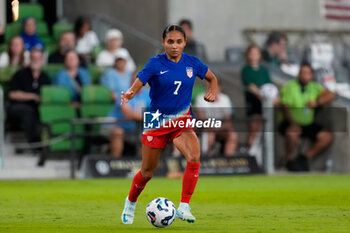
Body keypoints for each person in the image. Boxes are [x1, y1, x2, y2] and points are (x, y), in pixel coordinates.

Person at [120, 25, 218, 224]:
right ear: (164, 42)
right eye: (170, 41)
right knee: (147, 172)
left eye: (179, 42)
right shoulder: (155, 63)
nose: (174, 46)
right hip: (156, 121)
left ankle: (184, 206)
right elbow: (140, 80)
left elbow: (212, 78)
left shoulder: (192, 63)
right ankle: (130, 202)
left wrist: (212, 91)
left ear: (184, 43)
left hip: (182, 119)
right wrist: (131, 92)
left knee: (194, 155)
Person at [279, 63, 335, 172]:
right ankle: (290, 161)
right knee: (292, 133)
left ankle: (303, 158)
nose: (304, 76)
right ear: (299, 74)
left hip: (308, 123)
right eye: (302, 73)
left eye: (307, 73)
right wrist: (293, 123)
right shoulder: (290, 86)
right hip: (290, 121)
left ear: (311, 75)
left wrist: (317, 102)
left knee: (327, 137)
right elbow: (285, 107)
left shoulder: (313, 87)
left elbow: (331, 95)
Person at [7, 48, 50, 143]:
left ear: (42, 60)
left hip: (37, 108)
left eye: (38, 58)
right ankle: (33, 143)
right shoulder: (20, 74)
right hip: (18, 107)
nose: (35, 60)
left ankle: (48, 143)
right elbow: (12, 94)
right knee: (28, 111)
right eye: (33, 58)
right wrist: (32, 96)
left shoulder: (45, 77)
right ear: (29, 59)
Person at [103, 87, 150, 157]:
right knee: (118, 132)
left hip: (134, 128)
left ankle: (143, 163)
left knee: (152, 132)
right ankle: (115, 162)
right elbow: (128, 114)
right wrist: (147, 116)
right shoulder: (125, 92)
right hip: (113, 125)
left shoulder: (148, 94)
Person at [241, 44, 273, 147]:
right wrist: (261, 95)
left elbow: (269, 86)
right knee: (254, 131)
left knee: (263, 134)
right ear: (248, 55)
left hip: (264, 106)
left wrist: (273, 97)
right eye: (252, 53)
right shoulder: (246, 70)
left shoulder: (264, 71)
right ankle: (249, 154)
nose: (254, 55)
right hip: (253, 105)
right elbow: (251, 86)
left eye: (256, 53)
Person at [195, 80, 237, 157]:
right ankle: (208, 158)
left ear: (220, 87)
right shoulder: (200, 98)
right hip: (205, 128)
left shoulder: (225, 99)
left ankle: (228, 160)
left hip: (220, 128)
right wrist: (212, 128)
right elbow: (202, 119)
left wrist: (218, 128)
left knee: (232, 135)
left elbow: (228, 120)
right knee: (211, 135)